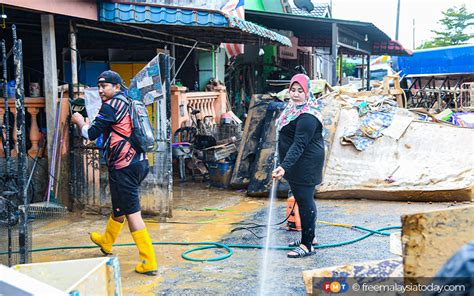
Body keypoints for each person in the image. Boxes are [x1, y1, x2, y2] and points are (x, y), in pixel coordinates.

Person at [71, 70, 157, 275]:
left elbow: (91, 134)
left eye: (105, 86)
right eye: (99, 86)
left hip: (124, 166)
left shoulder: (111, 106)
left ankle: (149, 261)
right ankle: (107, 242)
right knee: (119, 206)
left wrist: (79, 121)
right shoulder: (128, 102)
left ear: (117, 87)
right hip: (138, 162)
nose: (101, 90)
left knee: (133, 214)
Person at [272, 74, 324, 258]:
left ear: (307, 91)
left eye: (300, 91)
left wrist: (284, 166)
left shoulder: (308, 115)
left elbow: (299, 144)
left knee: (305, 200)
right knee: (303, 199)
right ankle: (310, 237)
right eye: (292, 90)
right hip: (296, 162)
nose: (295, 94)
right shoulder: (293, 109)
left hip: (306, 163)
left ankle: (307, 245)